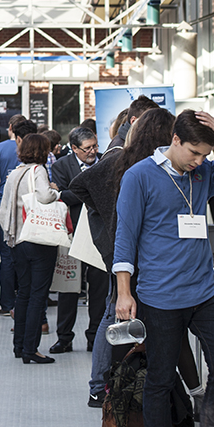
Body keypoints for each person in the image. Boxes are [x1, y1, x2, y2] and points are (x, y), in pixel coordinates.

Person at [113, 109, 214, 427]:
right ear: (174, 140)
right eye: (194, 152)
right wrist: (124, 291)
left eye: (205, 154)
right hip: (160, 295)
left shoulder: (204, 173)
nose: (199, 161)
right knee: (160, 378)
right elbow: (125, 235)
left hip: (205, 291)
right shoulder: (139, 176)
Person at [71, 108, 175, 408]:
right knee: (114, 315)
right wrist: (110, 221)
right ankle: (101, 387)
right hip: (124, 253)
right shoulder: (122, 157)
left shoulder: (140, 160)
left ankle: (115, 387)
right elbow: (80, 186)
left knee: (121, 316)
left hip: (135, 253)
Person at [0, 131, 62, 364]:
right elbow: (45, 196)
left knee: (23, 293)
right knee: (38, 295)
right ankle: (31, 349)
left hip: (18, 240)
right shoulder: (38, 170)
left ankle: (19, 346)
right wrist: (56, 190)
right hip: (39, 240)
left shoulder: (14, 173)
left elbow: (4, 208)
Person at [47, 125, 109, 355]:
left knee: (99, 289)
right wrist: (93, 191)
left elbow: (71, 193)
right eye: (87, 148)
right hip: (72, 233)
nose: (92, 151)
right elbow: (63, 197)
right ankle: (64, 337)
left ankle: (95, 337)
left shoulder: (105, 161)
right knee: (69, 287)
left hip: (100, 234)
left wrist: (75, 192)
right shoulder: (61, 165)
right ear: (74, 148)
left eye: (94, 146)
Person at [0, 117, 37, 315]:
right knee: (31, 257)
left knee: (7, 257)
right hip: (32, 208)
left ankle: (7, 304)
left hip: (6, 208)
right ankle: (29, 301)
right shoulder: (39, 148)